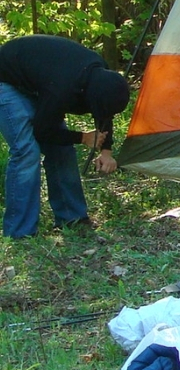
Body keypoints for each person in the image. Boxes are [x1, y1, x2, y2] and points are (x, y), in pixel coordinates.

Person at [0, 35, 131, 238]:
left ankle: (73, 218)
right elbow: (42, 131)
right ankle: (20, 232)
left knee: (62, 150)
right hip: (6, 80)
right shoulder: (63, 88)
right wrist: (82, 137)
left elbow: (105, 112)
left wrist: (106, 150)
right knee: (27, 151)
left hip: (39, 81)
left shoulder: (102, 77)